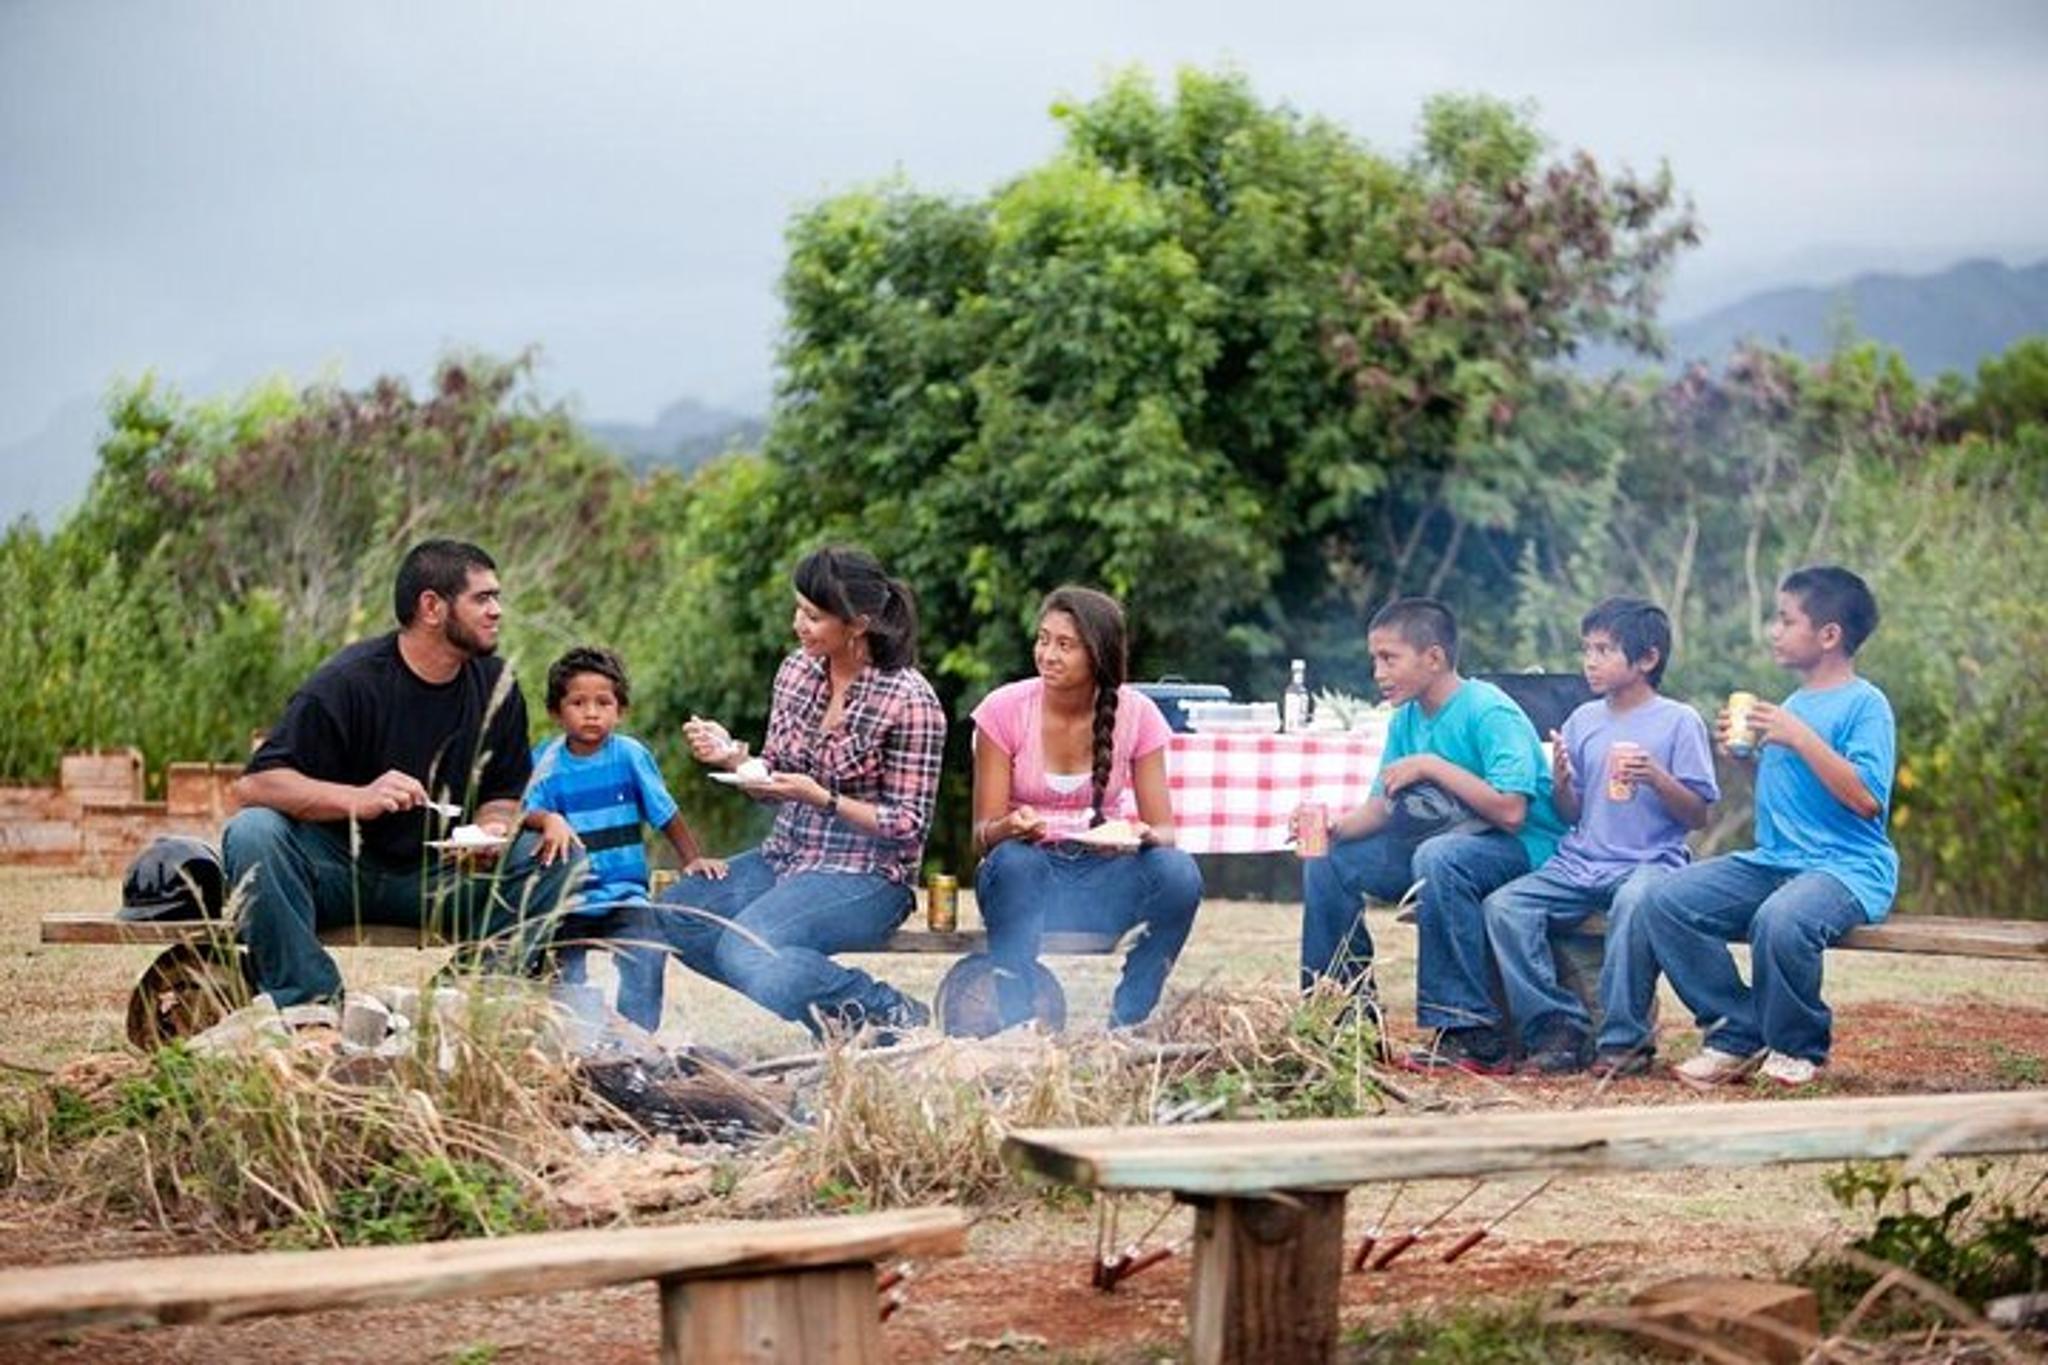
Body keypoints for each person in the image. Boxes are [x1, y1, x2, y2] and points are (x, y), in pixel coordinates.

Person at [223, 539, 579, 1007]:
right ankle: (310, 1005)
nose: (497, 611)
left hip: (442, 877)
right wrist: (358, 798)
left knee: (557, 857)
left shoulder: (499, 685)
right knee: (253, 832)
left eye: (496, 597)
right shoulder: (347, 681)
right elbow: (254, 785)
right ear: (431, 607)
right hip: (338, 871)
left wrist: (490, 830)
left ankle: (456, 1005)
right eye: (482, 598)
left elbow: (503, 793)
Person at [650, 546, 944, 1039]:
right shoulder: (795, 672)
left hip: (869, 878)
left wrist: (824, 799)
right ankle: (838, 1021)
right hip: (786, 857)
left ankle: (884, 1006)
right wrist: (733, 757)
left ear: (858, 624)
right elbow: (774, 780)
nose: (798, 625)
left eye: (814, 616)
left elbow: (908, 825)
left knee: (746, 947)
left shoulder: (910, 700)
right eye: (798, 609)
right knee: (677, 916)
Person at [1641, 566, 1897, 1089]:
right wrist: (1744, 761)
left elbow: (1866, 801)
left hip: (1847, 869)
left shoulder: (1865, 704)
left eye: (1786, 620)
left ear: (1829, 635)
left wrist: (1799, 737)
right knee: (1664, 901)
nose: (1774, 631)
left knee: (1781, 920)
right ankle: (1738, 1032)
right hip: (1776, 861)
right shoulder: (1795, 706)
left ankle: (1797, 1046)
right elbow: (1794, 790)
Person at [1298, 597, 1568, 1075]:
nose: (1378, 673)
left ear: (1434, 658)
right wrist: (1334, 830)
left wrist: (1431, 766)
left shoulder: (1489, 711)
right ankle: (1345, 1019)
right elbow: (1382, 806)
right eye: (1374, 660)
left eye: (1389, 658)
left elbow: (1511, 811)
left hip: (1524, 848)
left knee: (1439, 856)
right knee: (1329, 859)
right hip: (1447, 850)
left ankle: (1471, 1032)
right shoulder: (1406, 717)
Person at [1481, 598, 1718, 1076]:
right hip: (1582, 861)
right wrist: (1563, 783)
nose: (1590, 661)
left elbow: (1698, 814)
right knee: (1504, 907)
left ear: (1647, 659)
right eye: (1586, 649)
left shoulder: (1679, 721)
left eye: (1604, 650)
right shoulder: (1583, 720)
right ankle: (1557, 1028)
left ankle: (1624, 1041)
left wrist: (1656, 777)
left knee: (1635, 903)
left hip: (1650, 862)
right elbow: (1573, 813)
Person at [971, 587, 1204, 1032]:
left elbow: (1165, 830)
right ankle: (1018, 1026)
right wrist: (1010, 826)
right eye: (1043, 640)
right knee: (1016, 862)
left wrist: (1140, 836)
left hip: (1102, 879)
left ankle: (1129, 1021)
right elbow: (980, 836)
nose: (1048, 655)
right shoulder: (1003, 710)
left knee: (1179, 873)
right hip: (1025, 882)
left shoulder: (1138, 715)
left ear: (1098, 654)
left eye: (1065, 645)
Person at [522, 646, 724, 1032]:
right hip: (567, 900)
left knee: (647, 952)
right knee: (559, 969)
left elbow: (665, 813)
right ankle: (574, 1037)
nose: (592, 712)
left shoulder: (630, 755)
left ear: (621, 710)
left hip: (625, 895)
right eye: (578, 703)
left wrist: (692, 859)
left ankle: (636, 1039)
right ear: (555, 712)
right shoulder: (545, 761)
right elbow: (523, 812)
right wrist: (547, 819)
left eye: (604, 702)